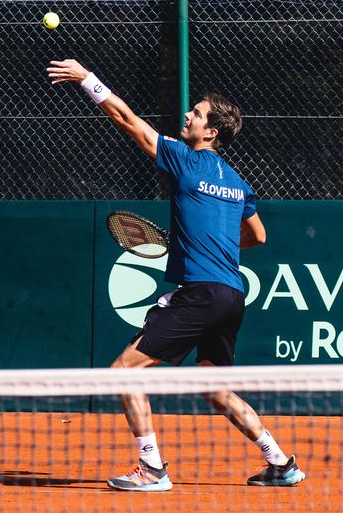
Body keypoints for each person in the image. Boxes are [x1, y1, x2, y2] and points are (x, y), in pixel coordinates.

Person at [47, 59, 306, 491]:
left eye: (198, 114)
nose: (188, 115)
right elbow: (258, 236)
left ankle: (152, 468)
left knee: (124, 373)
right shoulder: (238, 183)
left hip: (202, 295)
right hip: (231, 297)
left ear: (211, 133)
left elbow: (127, 120)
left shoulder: (186, 160)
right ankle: (279, 462)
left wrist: (87, 78)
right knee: (215, 389)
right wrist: (212, 242)